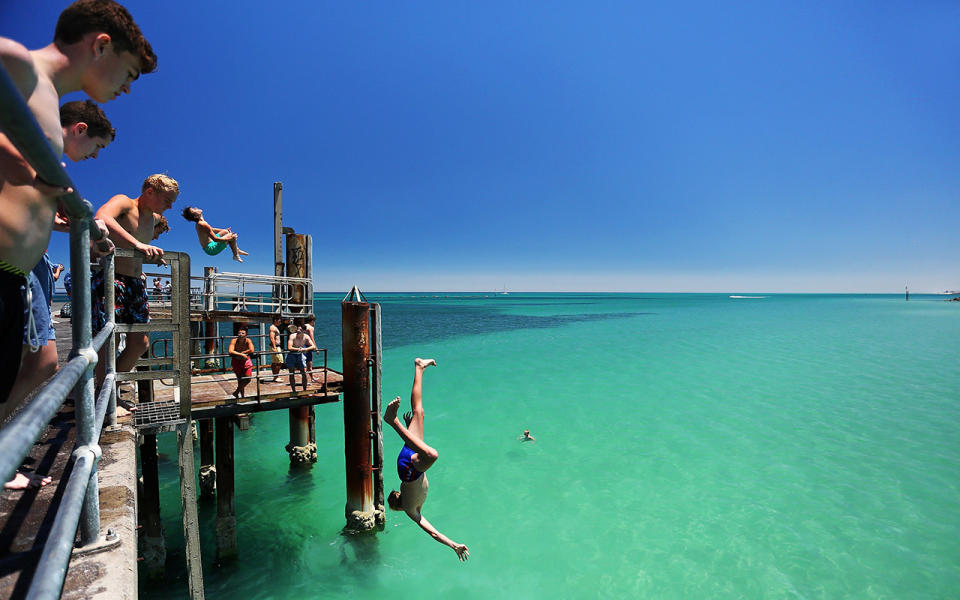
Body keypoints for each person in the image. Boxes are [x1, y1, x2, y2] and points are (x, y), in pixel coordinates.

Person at [0, 0, 155, 405]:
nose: (126, 87)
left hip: (13, 273)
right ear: (101, 45)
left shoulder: (48, 102)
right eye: (129, 73)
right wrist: (25, 165)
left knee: (16, 372)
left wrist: (57, 205)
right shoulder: (17, 62)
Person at [3, 100, 117, 415]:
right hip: (14, 267)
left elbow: (34, 213)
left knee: (37, 360)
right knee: (42, 361)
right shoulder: (38, 149)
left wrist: (75, 221)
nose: (94, 155)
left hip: (20, 266)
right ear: (80, 129)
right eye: (96, 146)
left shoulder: (46, 161)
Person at [92, 174, 178, 398]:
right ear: (150, 192)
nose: (169, 206)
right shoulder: (124, 202)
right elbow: (100, 217)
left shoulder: (154, 218)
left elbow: (140, 247)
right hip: (111, 277)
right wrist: (138, 244)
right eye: (167, 200)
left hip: (135, 282)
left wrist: (150, 256)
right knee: (109, 341)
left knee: (140, 342)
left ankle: (107, 390)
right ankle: (107, 396)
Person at [383, 358, 469, 561]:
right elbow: (433, 532)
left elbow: (433, 532)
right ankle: (419, 368)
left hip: (410, 469)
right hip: (410, 461)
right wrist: (453, 545)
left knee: (432, 455)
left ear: (399, 505)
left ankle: (392, 422)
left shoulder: (411, 510)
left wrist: (453, 545)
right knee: (419, 412)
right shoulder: (413, 507)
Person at [181, 206, 248, 263]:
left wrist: (224, 230)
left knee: (226, 232)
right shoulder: (202, 224)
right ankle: (235, 255)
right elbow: (215, 239)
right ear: (196, 215)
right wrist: (230, 239)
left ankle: (236, 250)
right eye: (194, 210)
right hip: (211, 249)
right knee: (231, 236)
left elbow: (211, 229)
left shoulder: (201, 222)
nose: (195, 208)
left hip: (210, 244)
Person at [285, 320, 315, 393]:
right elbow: (289, 347)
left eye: (300, 330)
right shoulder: (292, 336)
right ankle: (294, 391)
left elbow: (313, 346)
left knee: (304, 373)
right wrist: (299, 349)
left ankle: (304, 390)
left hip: (300, 355)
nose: (298, 331)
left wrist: (305, 349)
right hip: (292, 355)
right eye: (297, 329)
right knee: (291, 373)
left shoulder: (306, 337)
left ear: (304, 331)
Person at [228, 323, 254, 398]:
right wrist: (241, 354)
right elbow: (230, 351)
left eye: (243, 333)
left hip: (246, 361)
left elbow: (252, 350)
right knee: (240, 380)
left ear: (246, 334)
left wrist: (243, 352)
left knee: (248, 379)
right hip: (236, 361)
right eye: (239, 333)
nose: (240, 334)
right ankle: (242, 396)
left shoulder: (248, 340)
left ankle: (236, 392)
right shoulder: (234, 340)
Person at [266, 315, 283, 382]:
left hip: (276, 346)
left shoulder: (275, 327)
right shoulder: (272, 328)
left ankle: (275, 376)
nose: (280, 322)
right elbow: (271, 338)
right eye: (279, 320)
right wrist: (274, 347)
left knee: (275, 361)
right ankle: (275, 376)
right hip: (275, 346)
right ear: (275, 320)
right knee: (280, 361)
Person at [304, 314, 319, 382]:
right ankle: (310, 378)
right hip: (308, 347)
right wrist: (316, 348)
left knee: (303, 364)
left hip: (301, 346)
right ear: (312, 321)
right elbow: (312, 338)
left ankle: (309, 378)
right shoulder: (310, 327)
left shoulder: (304, 326)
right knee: (309, 364)